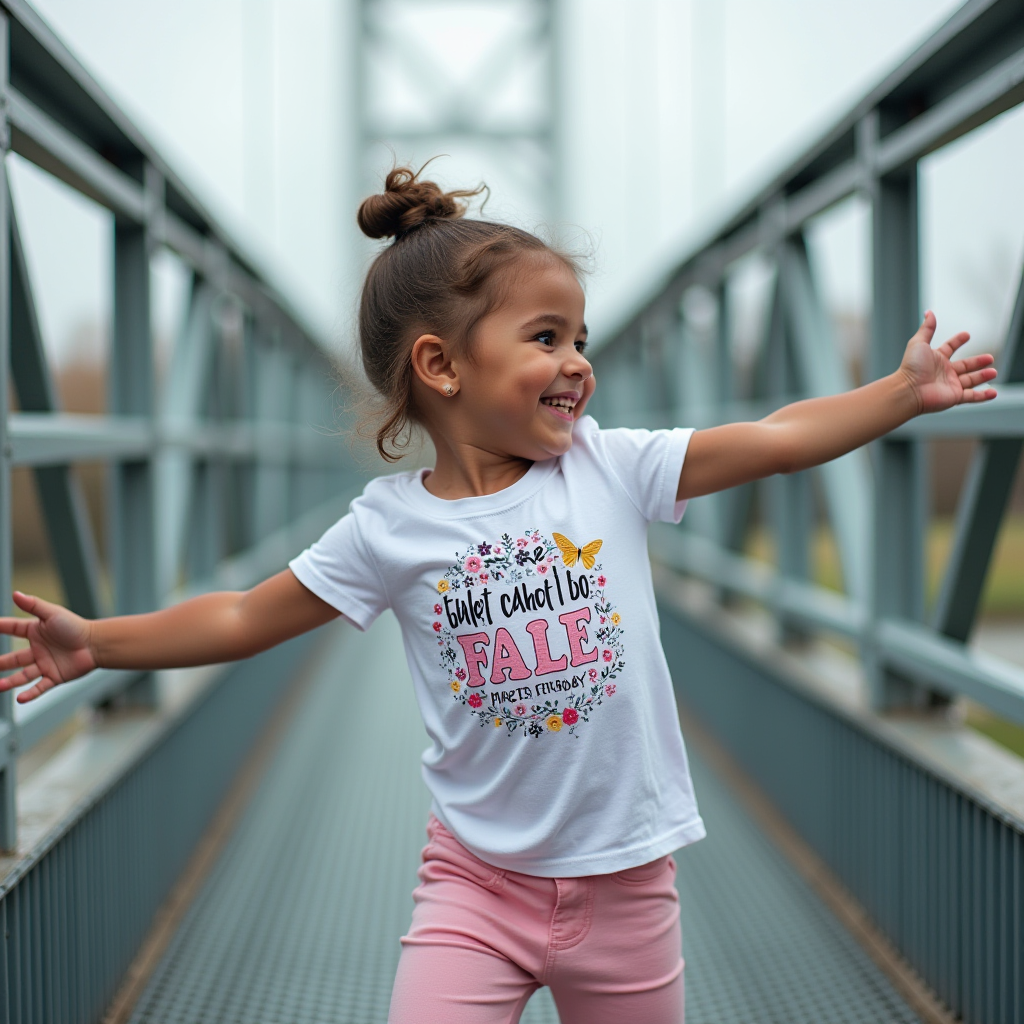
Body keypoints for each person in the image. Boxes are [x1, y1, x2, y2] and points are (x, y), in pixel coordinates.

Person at [0, 166, 997, 1024]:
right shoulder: (388, 527)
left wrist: (898, 393)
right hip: (475, 885)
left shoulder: (610, 469)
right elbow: (242, 613)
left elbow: (776, 441)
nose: (578, 363)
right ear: (438, 365)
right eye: (546, 337)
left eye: (581, 337)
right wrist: (100, 639)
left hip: (628, 881)